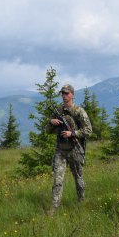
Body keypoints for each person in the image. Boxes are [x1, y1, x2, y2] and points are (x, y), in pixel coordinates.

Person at [47, 84, 92, 214]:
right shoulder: (57, 111)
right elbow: (48, 130)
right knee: (57, 179)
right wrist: (51, 122)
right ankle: (54, 207)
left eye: (67, 93)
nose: (64, 96)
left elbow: (88, 130)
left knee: (78, 178)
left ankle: (81, 202)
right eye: (63, 93)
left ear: (72, 94)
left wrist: (73, 133)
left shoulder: (78, 111)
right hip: (60, 149)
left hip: (75, 150)